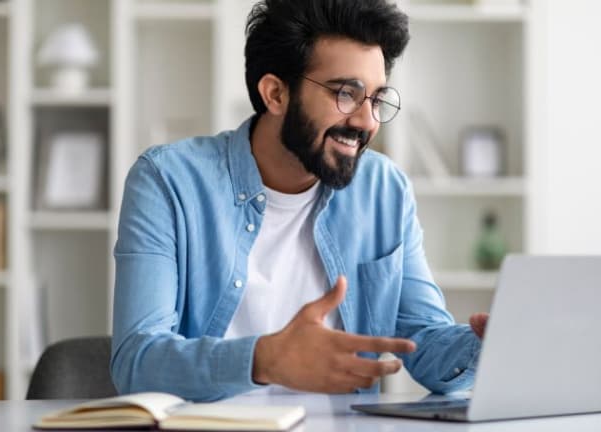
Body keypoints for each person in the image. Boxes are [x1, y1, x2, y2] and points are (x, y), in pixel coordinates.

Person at [111, 0, 489, 402]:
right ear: (275, 93)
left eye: (377, 99)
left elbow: (424, 341)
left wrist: (486, 344)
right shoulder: (168, 181)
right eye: (346, 93)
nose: (367, 121)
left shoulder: (384, 189)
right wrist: (265, 359)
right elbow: (137, 362)